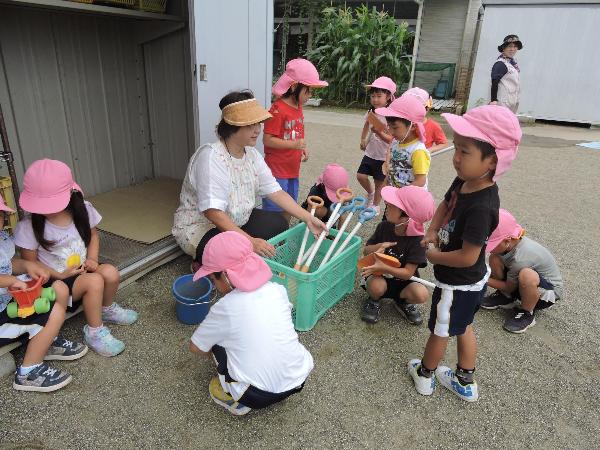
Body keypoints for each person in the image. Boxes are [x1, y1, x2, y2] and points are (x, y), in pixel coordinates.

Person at [409, 105, 521, 402]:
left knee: (440, 330)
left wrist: (434, 257)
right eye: (456, 148)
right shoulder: (465, 180)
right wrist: (433, 230)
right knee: (464, 326)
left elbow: (467, 257)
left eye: (465, 151)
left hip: (457, 282)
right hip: (472, 281)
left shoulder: (483, 207)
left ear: (492, 161)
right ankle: (464, 379)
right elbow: (446, 205)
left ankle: (425, 375)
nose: (456, 157)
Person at [172, 90, 327, 270]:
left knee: (279, 224)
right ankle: (205, 263)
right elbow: (213, 213)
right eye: (250, 125)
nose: (258, 130)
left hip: (237, 220)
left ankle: (224, 259)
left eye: (258, 123)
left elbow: (275, 192)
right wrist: (250, 241)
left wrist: (308, 217)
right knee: (240, 252)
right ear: (232, 126)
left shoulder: (252, 154)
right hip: (201, 227)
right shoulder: (211, 157)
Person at [15, 159, 138, 357]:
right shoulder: (30, 226)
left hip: (82, 270)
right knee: (95, 280)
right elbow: (31, 264)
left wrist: (93, 259)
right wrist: (60, 274)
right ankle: (94, 331)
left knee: (111, 272)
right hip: (54, 280)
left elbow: (94, 236)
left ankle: (105, 308)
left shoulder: (83, 210)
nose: (46, 209)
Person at [189, 231, 313, 416]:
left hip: (257, 396)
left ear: (226, 275)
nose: (214, 285)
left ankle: (235, 398)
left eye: (213, 280)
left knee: (215, 344)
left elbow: (196, 347)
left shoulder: (225, 307)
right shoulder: (277, 289)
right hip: (299, 378)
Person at [0, 197, 87, 392]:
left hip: (8, 301)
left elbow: (8, 265)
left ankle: (46, 342)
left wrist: (27, 265)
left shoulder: (1, 240)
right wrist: (11, 281)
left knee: (55, 295)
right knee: (49, 313)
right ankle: (28, 372)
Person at [262, 59, 328, 222]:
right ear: (293, 87)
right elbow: (267, 140)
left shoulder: (297, 107)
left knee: (290, 205)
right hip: (277, 171)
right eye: (307, 91)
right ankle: (271, 237)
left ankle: (284, 234)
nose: (310, 95)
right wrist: (294, 144)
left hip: (292, 169)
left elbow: (297, 132)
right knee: (273, 208)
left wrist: (301, 148)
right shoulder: (277, 110)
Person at [360, 185, 435, 325]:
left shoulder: (418, 240)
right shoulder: (384, 226)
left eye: (392, 205)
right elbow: (366, 250)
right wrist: (377, 248)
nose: (386, 204)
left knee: (422, 294)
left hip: (403, 282)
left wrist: (384, 266)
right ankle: (374, 300)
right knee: (376, 287)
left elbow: (407, 273)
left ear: (406, 215)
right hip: (379, 276)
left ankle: (403, 302)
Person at [482, 209, 564, 333]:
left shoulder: (522, 257)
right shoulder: (512, 245)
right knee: (495, 257)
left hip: (546, 295)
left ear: (507, 241)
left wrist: (481, 278)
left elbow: (509, 286)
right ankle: (505, 297)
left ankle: (527, 313)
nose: (489, 248)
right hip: (520, 282)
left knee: (526, 275)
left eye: (492, 245)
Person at [357, 77, 395, 213]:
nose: (375, 99)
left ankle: (375, 205)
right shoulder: (371, 112)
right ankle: (370, 193)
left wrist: (379, 133)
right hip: (370, 152)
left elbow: (392, 140)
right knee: (360, 176)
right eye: (373, 96)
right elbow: (366, 124)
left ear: (389, 96)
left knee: (380, 182)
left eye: (379, 96)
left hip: (383, 156)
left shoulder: (392, 117)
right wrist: (363, 139)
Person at [376, 94, 430, 190]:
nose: (391, 132)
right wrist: (386, 184)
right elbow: (392, 168)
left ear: (412, 126)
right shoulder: (396, 142)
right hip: (394, 195)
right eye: (389, 126)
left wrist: (400, 195)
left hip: (409, 199)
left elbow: (420, 181)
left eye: (395, 127)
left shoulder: (418, 151)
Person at [404, 87, 448, 153]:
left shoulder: (433, 126)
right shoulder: (403, 122)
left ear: (427, 108)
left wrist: (428, 150)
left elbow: (443, 143)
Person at [490, 35, 523, 113]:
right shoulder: (501, 63)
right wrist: (494, 100)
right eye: (510, 46)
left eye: (515, 46)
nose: (512, 49)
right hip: (502, 102)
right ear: (504, 48)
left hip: (511, 101)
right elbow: (494, 81)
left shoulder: (512, 64)